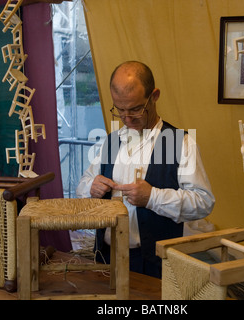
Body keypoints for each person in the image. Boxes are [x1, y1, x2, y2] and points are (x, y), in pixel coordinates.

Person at [76, 61, 215, 278]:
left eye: (135, 109)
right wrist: (90, 188)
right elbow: (84, 184)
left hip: (153, 265)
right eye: (119, 110)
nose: (127, 118)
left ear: (155, 96)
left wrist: (153, 197)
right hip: (106, 258)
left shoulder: (180, 143)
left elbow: (203, 202)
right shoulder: (110, 142)